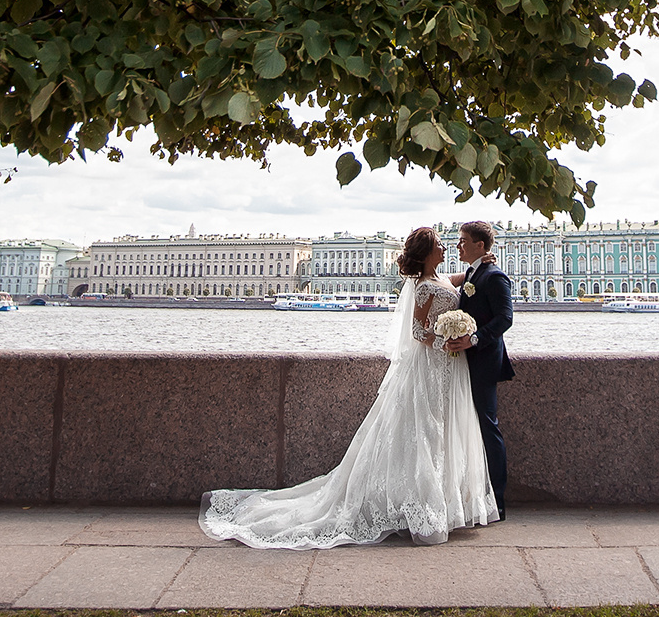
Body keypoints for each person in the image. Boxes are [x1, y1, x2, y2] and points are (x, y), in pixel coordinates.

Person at [199, 227, 498, 549]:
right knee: (424, 432)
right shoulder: (423, 287)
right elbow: (415, 330)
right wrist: (446, 343)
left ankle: (439, 503)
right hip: (430, 366)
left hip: (447, 371)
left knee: (439, 432)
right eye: (439, 245)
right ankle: (421, 509)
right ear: (426, 253)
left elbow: (458, 281)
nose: (446, 248)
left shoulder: (440, 280)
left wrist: (479, 264)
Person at [443, 219, 513, 518]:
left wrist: (473, 339)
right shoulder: (474, 272)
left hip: (483, 360)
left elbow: (505, 319)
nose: (458, 245)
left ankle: (497, 498)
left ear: (480, 245)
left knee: (487, 426)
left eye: (463, 240)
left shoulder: (495, 276)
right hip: (466, 361)